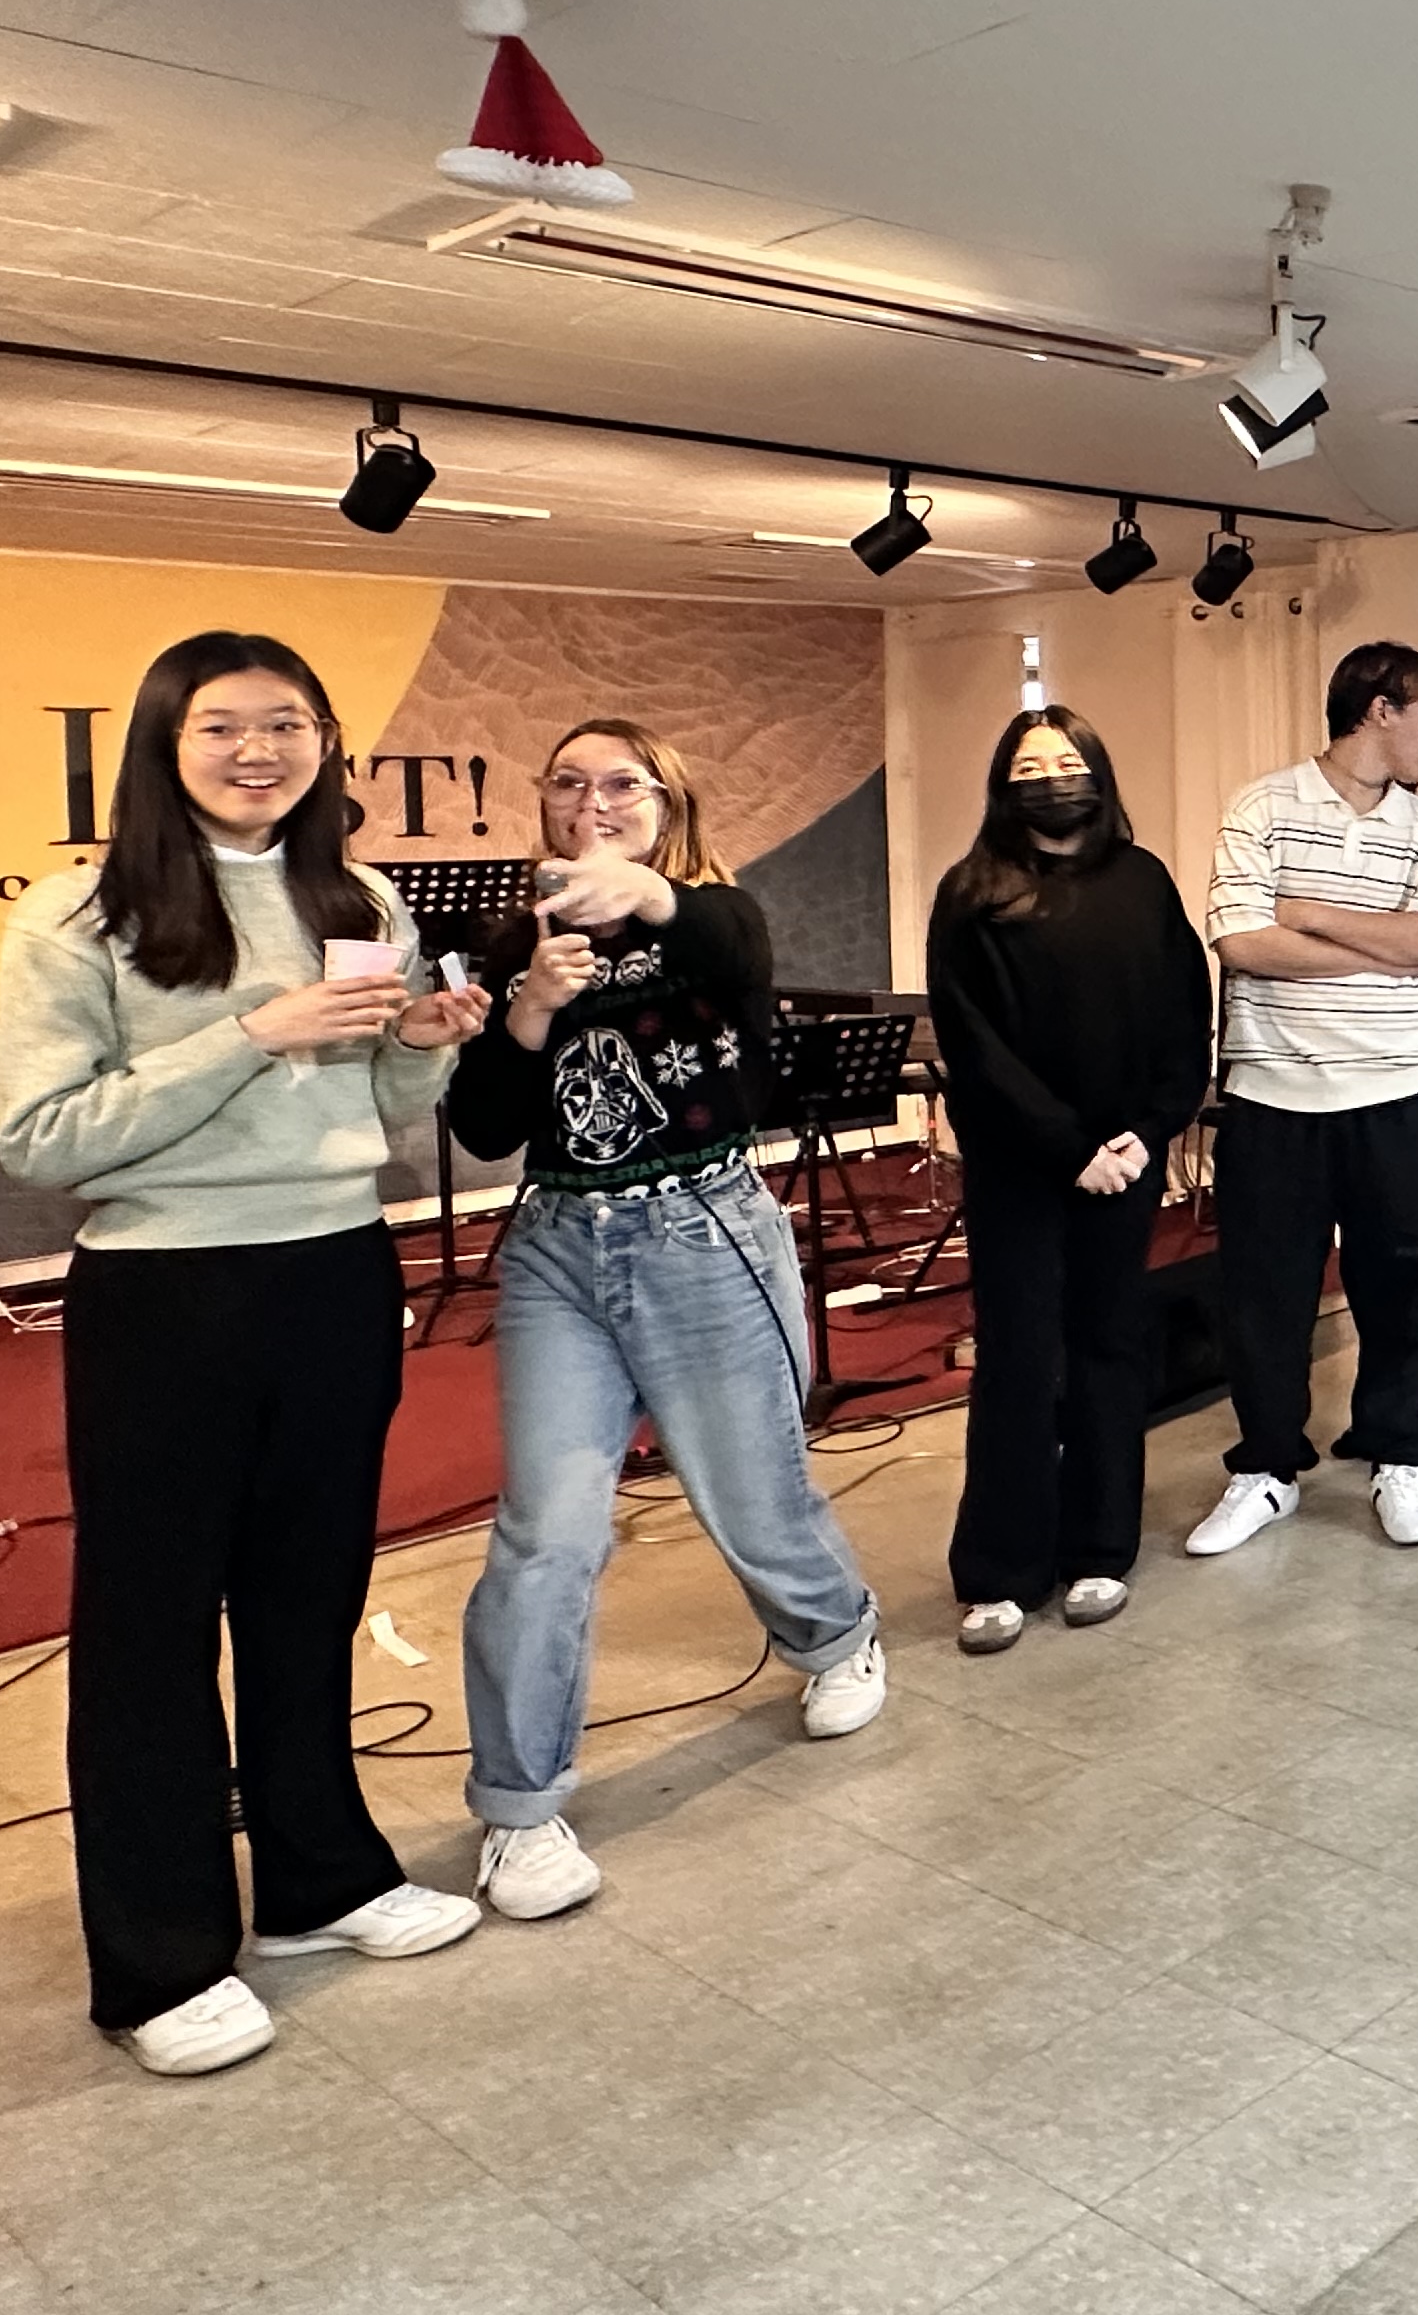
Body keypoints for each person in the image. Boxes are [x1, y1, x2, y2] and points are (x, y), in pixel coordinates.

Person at [0, 633, 492, 2075]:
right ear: (165, 740)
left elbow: (382, 1107)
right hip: (166, 1292)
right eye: (223, 726)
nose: (257, 751)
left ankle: (320, 1879)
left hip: (334, 1270)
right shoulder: (78, 915)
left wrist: (428, 1039)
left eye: (287, 725)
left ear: (325, 744)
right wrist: (251, 1035)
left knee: (307, 1595)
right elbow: (40, 1139)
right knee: (149, 1628)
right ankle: (157, 1961)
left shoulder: (358, 896)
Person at [449, 715, 888, 1927]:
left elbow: (729, 950)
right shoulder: (513, 939)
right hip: (559, 1249)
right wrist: (526, 1012)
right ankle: (518, 1809)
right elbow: (484, 1124)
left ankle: (835, 1635)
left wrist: (642, 894)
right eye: (568, 784)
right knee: (546, 1531)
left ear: (666, 807)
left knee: (752, 1495)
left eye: (623, 786)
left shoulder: (709, 915)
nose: (592, 803)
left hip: (702, 1232)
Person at [926, 706, 1213, 1654]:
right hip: (1020, 1162)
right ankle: (1000, 1568)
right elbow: (973, 1043)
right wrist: (1067, 1147)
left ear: (1098, 774)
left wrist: (1146, 1132)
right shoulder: (972, 892)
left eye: (1067, 761)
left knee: (1109, 1345)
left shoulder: (1143, 880)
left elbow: (1184, 1016)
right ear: (1004, 788)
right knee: (1017, 1356)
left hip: (1125, 1159)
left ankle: (1100, 1548)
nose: (1051, 779)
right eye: (1029, 767)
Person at [1192, 640, 1418, 1554]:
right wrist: (1382, 949)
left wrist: (1309, 914)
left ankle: (1397, 1454)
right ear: (1381, 708)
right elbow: (1242, 941)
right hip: (1275, 1096)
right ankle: (1266, 1470)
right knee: (1265, 1298)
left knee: (1403, 1289)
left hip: (1402, 1092)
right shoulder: (1263, 806)